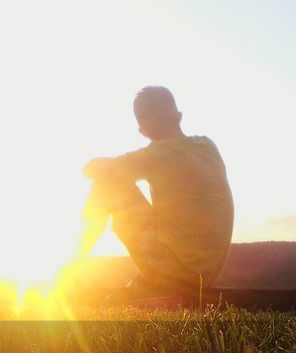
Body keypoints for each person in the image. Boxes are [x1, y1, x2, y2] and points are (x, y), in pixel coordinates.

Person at [80, 86, 234, 292]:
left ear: (142, 129)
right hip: (205, 276)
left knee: (107, 183)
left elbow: (92, 169)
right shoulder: (207, 146)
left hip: (179, 274)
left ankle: (71, 271)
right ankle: (144, 284)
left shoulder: (157, 155)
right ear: (178, 115)